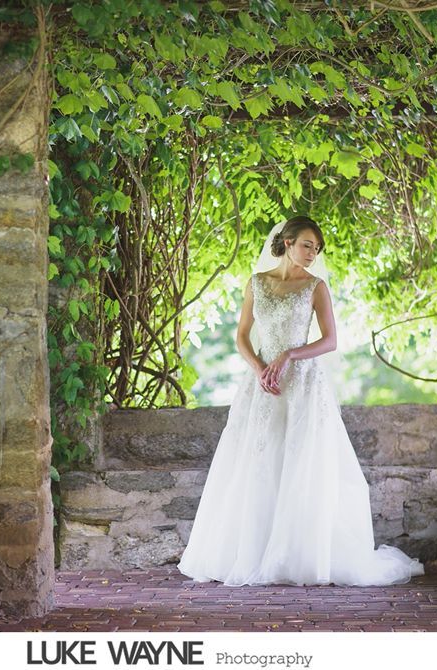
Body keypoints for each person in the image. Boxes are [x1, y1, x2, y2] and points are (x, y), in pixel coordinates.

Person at [177, 216, 424, 586]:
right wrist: (260, 367)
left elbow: (330, 341)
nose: (312, 253)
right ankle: (254, 553)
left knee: (301, 465)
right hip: (262, 385)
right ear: (287, 241)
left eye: (316, 248)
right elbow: (242, 336)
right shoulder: (256, 283)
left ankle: (299, 555)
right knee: (258, 463)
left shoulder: (315, 287)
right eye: (307, 244)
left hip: (304, 385)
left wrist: (290, 355)